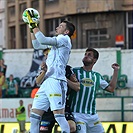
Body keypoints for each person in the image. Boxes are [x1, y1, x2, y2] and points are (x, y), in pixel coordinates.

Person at [25, 9, 75, 133]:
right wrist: (32, 28)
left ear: (67, 31)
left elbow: (42, 40)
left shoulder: (64, 39)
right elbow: (37, 45)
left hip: (57, 81)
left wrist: (34, 25)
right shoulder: (56, 43)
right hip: (47, 82)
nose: (58, 27)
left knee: (59, 116)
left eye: (61, 26)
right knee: (35, 117)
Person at [69, 48, 120, 133]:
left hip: (93, 116)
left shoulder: (97, 76)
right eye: (85, 54)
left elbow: (111, 89)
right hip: (77, 114)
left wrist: (116, 71)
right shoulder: (74, 71)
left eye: (89, 55)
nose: (86, 56)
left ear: (95, 60)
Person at [39, 65, 79, 133]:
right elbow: (37, 82)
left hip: (62, 104)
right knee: (43, 130)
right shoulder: (46, 67)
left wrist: (64, 79)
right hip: (48, 106)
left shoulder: (67, 69)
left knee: (71, 127)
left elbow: (77, 87)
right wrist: (44, 72)